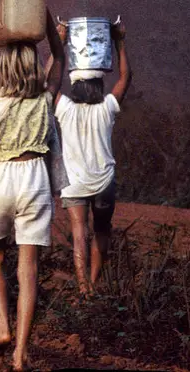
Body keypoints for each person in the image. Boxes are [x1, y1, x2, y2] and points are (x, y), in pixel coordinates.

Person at [0, 10, 68, 371]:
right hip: (35, 180)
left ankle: (3, 328)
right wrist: (50, 22)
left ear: (4, 67)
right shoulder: (44, 98)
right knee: (29, 269)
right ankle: (21, 352)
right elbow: (61, 59)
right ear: (33, 67)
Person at [53, 21, 132, 297]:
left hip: (74, 183)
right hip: (103, 182)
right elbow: (125, 78)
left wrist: (59, 44)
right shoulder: (108, 107)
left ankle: (82, 286)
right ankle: (95, 286)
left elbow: (45, 83)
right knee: (101, 231)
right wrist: (119, 42)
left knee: (79, 235)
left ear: (75, 87)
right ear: (99, 84)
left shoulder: (64, 109)